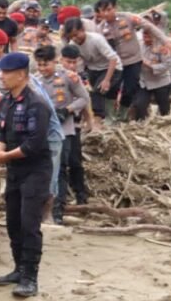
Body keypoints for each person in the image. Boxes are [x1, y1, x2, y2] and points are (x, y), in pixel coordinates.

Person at [0, 52, 52, 298]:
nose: (2, 77)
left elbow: (34, 144)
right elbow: (2, 133)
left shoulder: (37, 105)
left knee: (29, 223)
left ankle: (30, 277)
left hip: (35, 170)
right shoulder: (6, 102)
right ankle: (18, 268)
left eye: (6, 72)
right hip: (14, 169)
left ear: (21, 75)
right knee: (12, 221)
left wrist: (3, 157)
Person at [33, 46, 89, 224]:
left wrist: (69, 110)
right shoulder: (34, 80)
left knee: (60, 171)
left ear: (55, 61)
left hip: (64, 130)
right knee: (42, 170)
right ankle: (40, 209)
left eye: (46, 64)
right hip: (41, 132)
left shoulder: (68, 77)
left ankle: (57, 211)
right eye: (40, 65)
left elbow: (84, 98)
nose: (43, 68)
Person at [93, 0, 167, 120]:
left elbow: (149, 27)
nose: (106, 13)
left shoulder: (128, 18)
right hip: (115, 64)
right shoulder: (100, 29)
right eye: (103, 11)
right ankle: (111, 118)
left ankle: (122, 116)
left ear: (115, 8)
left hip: (133, 61)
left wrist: (166, 41)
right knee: (111, 89)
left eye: (109, 9)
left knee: (130, 89)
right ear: (99, 12)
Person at [61, 17, 122, 120]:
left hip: (111, 67)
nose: (75, 38)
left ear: (83, 29)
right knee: (90, 92)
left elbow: (113, 58)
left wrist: (107, 80)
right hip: (93, 69)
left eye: (76, 34)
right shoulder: (73, 45)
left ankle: (98, 119)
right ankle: (102, 117)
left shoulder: (96, 39)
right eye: (72, 37)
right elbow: (75, 63)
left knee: (98, 91)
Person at [58, 44, 90, 204]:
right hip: (54, 125)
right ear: (60, 59)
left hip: (73, 125)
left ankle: (80, 194)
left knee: (74, 161)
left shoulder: (79, 78)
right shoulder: (55, 76)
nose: (71, 66)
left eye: (74, 62)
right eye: (68, 62)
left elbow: (85, 100)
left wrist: (89, 121)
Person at [132, 27, 171, 120]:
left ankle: (166, 124)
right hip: (144, 81)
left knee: (164, 107)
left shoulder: (162, 47)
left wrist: (149, 65)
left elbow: (167, 65)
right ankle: (141, 123)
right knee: (139, 105)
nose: (146, 38)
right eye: (144, 35)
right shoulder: (139, 44)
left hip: (161, 81)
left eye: (148, 36)